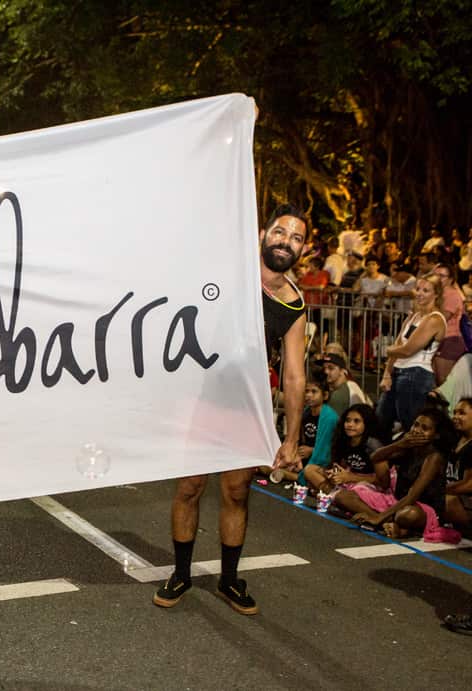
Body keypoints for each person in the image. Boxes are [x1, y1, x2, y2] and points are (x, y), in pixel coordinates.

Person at [152, 204, 307, 615]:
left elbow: (294, 375)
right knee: (189, 488)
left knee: (236, 493)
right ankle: (181, 573)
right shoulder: (229, 271)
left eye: (296, 238)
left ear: (303, 250)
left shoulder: (293, 305)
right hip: (200, 401)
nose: (285, 242)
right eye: (280, 232)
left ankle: (228, 580)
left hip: (244, 410)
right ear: (262, 233)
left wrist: (291, 438)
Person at [338, 406, 455, 540]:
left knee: (407, 515)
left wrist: (378, 517)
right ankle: (388, 523)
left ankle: (387, 521)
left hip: (423, 508)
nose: (417, 430)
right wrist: (400, 444)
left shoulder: (434, 457)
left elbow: (413, 496)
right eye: (415, 425)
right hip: (398, 501)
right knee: (343, 496)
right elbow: (375, 458)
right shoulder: (407, 446)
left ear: (436, 435)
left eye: (425, 428)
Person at [377, 274, 447, 439]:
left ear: (436, 294)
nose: (420, 293)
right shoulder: (413, 315)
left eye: (426, 290)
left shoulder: (435, 319)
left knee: (411, 426)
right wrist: (387, 374)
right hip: (397, 372)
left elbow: (407, 350)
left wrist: (388, 350)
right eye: (418, 289)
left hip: (417, 375)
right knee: (381, 421)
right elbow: (399, 343)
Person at [303, 403, 381, 501]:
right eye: (347, 420)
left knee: (356, 492)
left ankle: (336, 497)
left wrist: (350, 477)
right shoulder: (344, 440)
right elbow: (342, 467)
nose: (350, 424)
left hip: (368, 486)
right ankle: (336, 497)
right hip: (347, 482)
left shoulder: (373, 445)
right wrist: (334, 474)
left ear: (367, 423)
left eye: (356, 421)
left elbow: (382, 482)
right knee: (310, 470)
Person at [431, 262, 466, 384]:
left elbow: (442, 317)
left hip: (450, 339)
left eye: (441, 276)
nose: (437, 278)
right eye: (435, 275)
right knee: (435, 380)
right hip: (438, 339)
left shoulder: (452, 295)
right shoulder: (437, 294)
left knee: (444, 381)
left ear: (451, 279)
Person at [442, 398, 472, 534]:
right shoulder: (455, 439)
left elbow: (469, 485)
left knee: (446, 501)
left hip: (465, 500)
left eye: (462, 413)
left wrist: (439, 491)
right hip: (456, 495)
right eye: (454, 413)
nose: (456, 417)